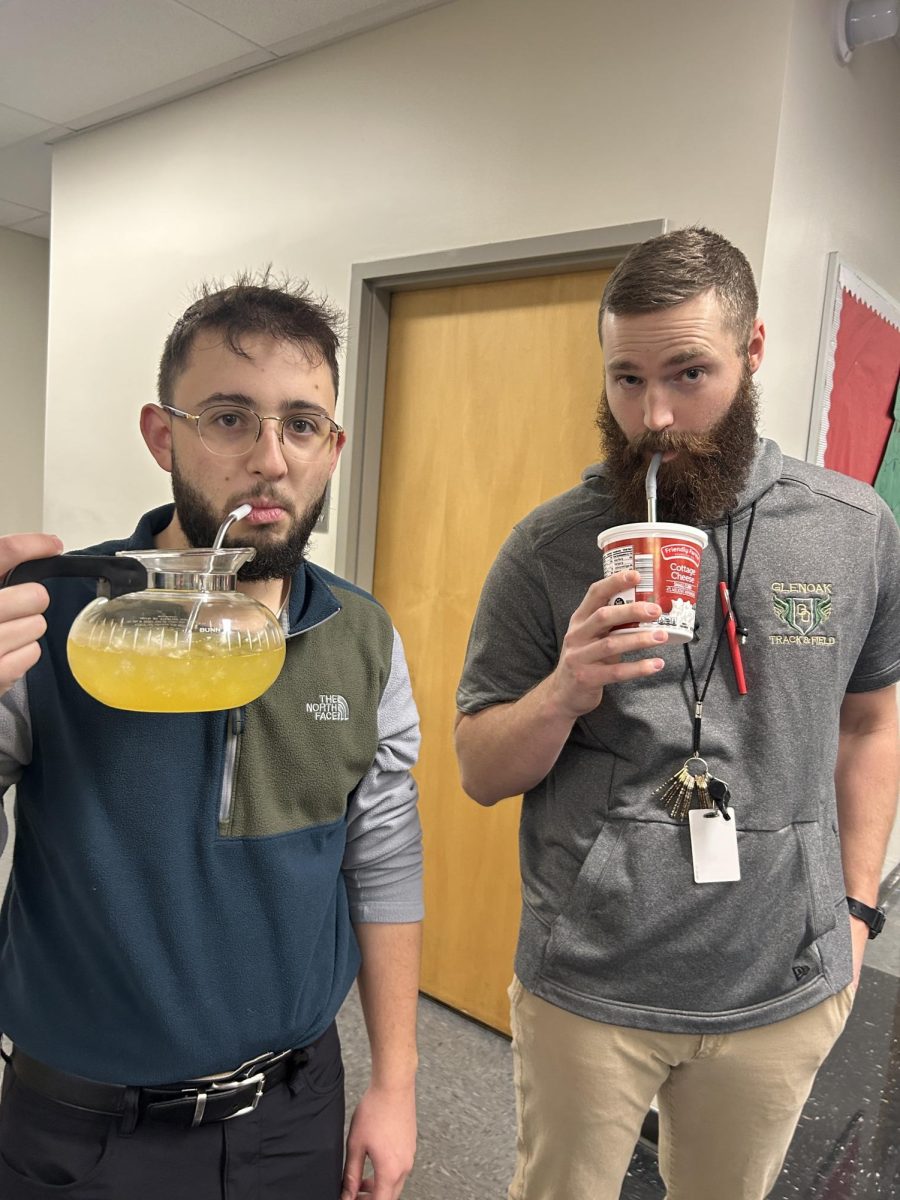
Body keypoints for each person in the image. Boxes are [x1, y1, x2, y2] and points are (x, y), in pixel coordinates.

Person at [455, 227, 900, 1200]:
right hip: (590, 983)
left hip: (781, 981)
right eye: (625, 379)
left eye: (688, 373)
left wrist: (858, 910)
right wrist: (567, 685)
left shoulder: (855, 529)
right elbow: (480, 768)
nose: (653, 416)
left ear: (754, 353)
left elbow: (871, 724)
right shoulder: (551, 546)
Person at [0, 274, 423, 1200]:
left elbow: (383, 858)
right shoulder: (56, 618)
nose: (270, 460)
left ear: (333, 447)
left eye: (302, 424)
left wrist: (396, 1084)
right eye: (230, 418)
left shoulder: (364, 638)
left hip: (292, 1111)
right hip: (81, 1127)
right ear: (165, 436)